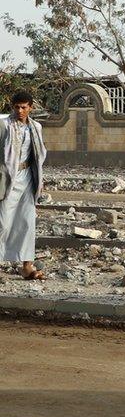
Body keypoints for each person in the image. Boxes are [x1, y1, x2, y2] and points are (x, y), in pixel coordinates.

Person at [0, 91, 48, 280]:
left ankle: (27, 266)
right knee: (3, 222)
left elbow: (37, 156)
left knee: (27, 222)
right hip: (7, 178)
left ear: (30, 108)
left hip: (27, 176)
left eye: (24, 107)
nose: (20, 110)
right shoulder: (4, 125)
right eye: (17, 107)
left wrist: (39, 180)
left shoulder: (35, 127)